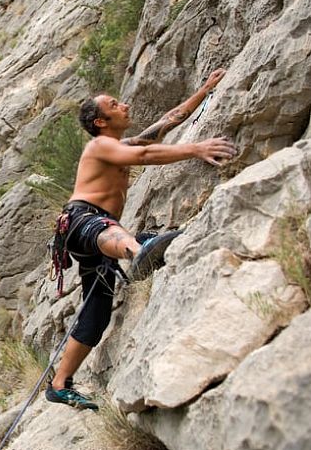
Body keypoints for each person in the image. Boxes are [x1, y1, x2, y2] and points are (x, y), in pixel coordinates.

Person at [45, 69, 237, 409]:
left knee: (96, 313)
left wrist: (206, 89)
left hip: (95, 236)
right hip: (84, 222)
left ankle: (60, 384)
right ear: (100, 121)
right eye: (115, 104)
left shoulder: (119, 144)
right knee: (114, 232)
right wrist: (196, 149)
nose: (125, 105)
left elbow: (168, 120)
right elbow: (146, 157)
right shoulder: (99, 145)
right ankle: (139, 250)